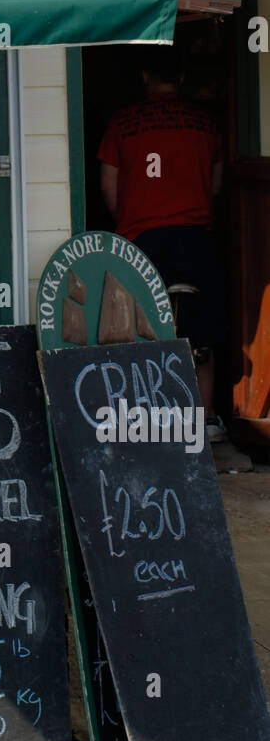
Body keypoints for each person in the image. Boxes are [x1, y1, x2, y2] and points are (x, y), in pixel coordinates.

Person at [98, 46, 251, 472]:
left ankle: (146, 420)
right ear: (182, 78)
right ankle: (208, 423)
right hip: (195, 237)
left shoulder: (122, 122)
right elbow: (217, 185)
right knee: (201, 336)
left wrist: (134, 222)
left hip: (141, 240)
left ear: (145, 76)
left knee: (139, 333)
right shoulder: (206, 123)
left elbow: (109, 188)